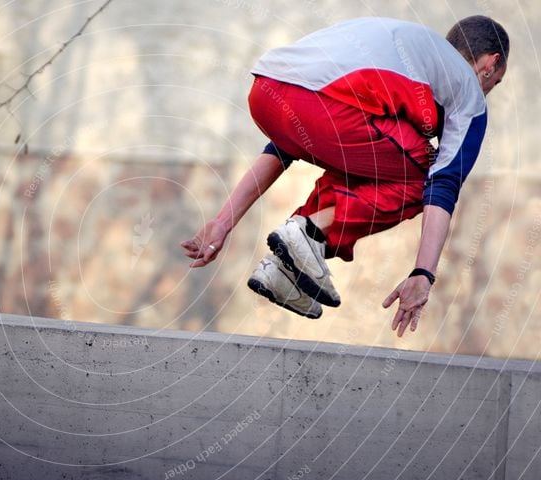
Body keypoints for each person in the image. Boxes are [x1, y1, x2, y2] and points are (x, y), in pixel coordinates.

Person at [180, 15, 509, 336]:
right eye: (493, 84)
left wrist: (224, 222)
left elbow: (287, 140)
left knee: (383, 157)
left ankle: (283, 269)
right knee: (426, 169)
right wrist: (423, 273)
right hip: (328, 108)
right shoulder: (469, 93)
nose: (487, 91)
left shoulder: (411, 49)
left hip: (266, 93)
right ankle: (311, 230)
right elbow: (443, 183)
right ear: (489, 64)